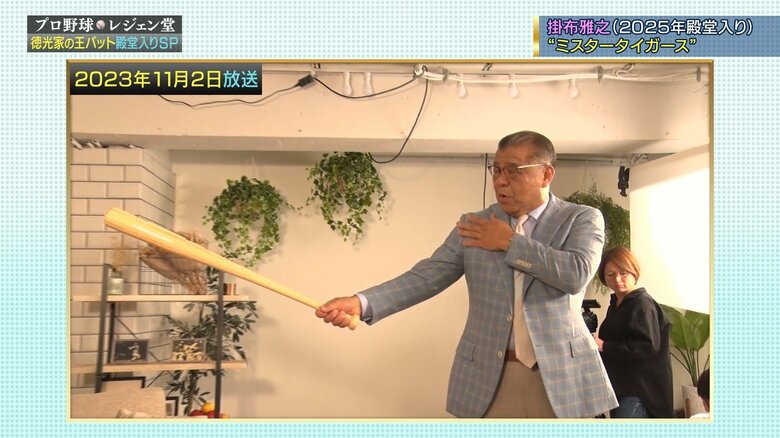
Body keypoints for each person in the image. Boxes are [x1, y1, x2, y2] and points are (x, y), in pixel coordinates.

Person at [315, 130, 617, 418]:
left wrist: (510, 243)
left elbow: (576, 274)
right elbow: (427, 276)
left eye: (513, 171)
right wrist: (362, 303)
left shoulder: (580, 218)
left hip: (562, 377)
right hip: (490, 376)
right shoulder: (475, 224)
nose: (501, 180)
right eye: (496, 170)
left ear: (546, 174)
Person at [594, 247, 674, 418]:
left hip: (639, 393)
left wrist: (604, 346)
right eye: (611, 274)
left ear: (634, 272)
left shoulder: (641, 303)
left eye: (623, 273)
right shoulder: (617, 303)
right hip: (623, 388)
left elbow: (646, 346)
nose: (617, 279)